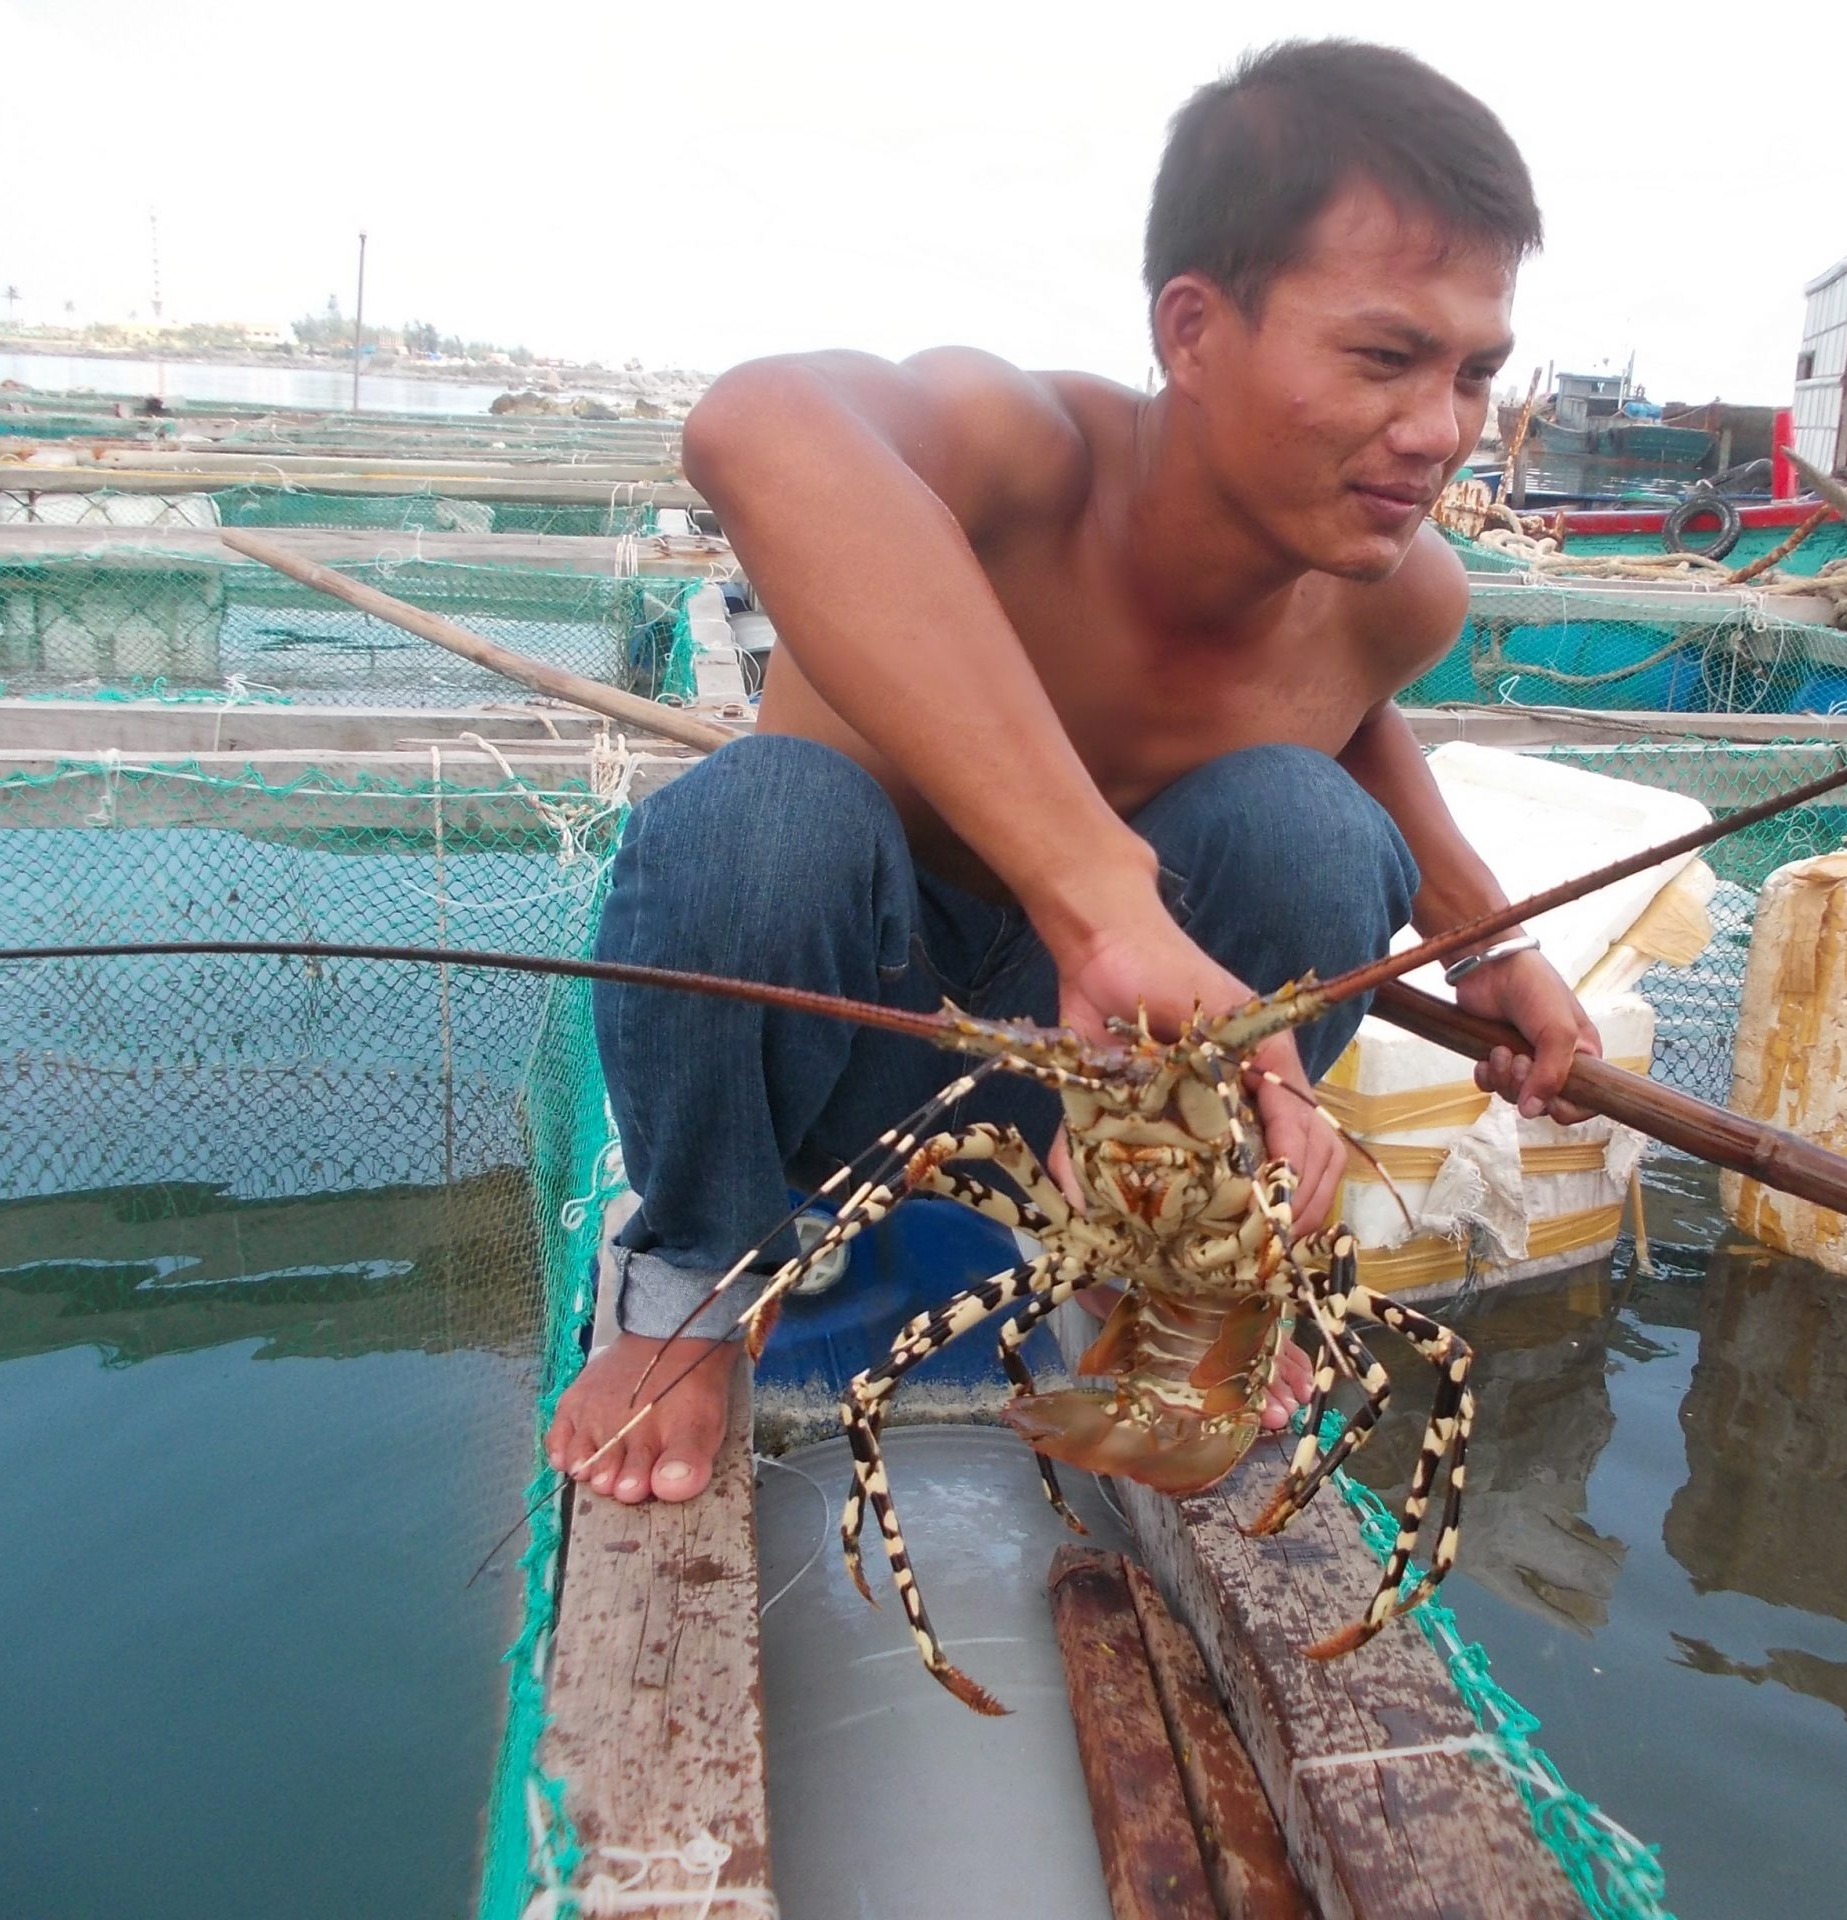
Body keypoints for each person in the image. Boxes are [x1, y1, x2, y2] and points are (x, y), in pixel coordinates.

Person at [547, 39, 1598, 1506]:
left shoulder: (1400, 598)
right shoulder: (1016, 454)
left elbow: (1342, 718)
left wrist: (1486, 943)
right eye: (1382, 356)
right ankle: (692, 1294)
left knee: (1316, 828)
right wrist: (1108, 907)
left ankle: (1152, 1267)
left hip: (1093, 1102)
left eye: (1475, 372)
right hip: (846, 1034)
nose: (1438, 431)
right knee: (767, 815)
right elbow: (754, 424)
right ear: (1191, 325)